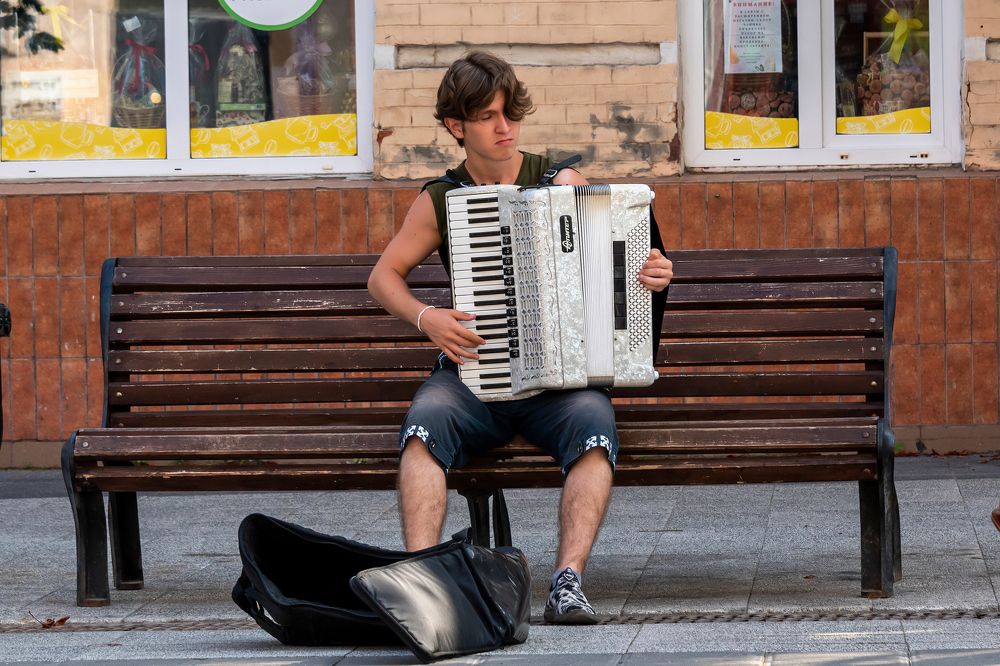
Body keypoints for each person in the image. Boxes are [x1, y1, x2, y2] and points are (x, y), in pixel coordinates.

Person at [367, 50, 673, 624]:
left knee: (596, 426)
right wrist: (426, 316)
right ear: (456, 126)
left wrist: (653, 274)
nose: (504, 128)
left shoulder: (561, 182)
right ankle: (421, 583)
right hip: (474, 379)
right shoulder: (442, 199)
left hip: (558, 384)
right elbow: (382, 278)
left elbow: (622, 270)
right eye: (487, 117)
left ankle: (568, 582)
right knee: (421, 428)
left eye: (509, 114)